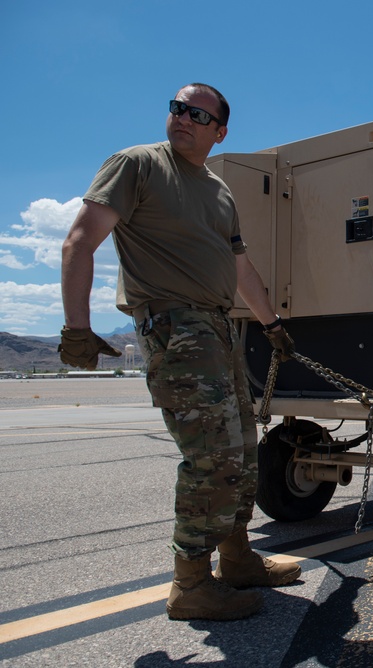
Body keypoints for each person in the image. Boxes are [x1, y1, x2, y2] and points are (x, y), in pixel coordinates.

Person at [60, 83, 299, 621]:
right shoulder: (137, 165)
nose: (182, 118)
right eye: (177, 108)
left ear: (220, 132)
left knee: (242, 447)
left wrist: (273, 324)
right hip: (175, 327)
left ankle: (237, 559)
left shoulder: (218, 191)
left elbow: (239, 268)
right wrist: (78, 327)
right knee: (210, 457)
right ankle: (191, 582)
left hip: (217, 328)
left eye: (197, 113)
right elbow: (80, 240)